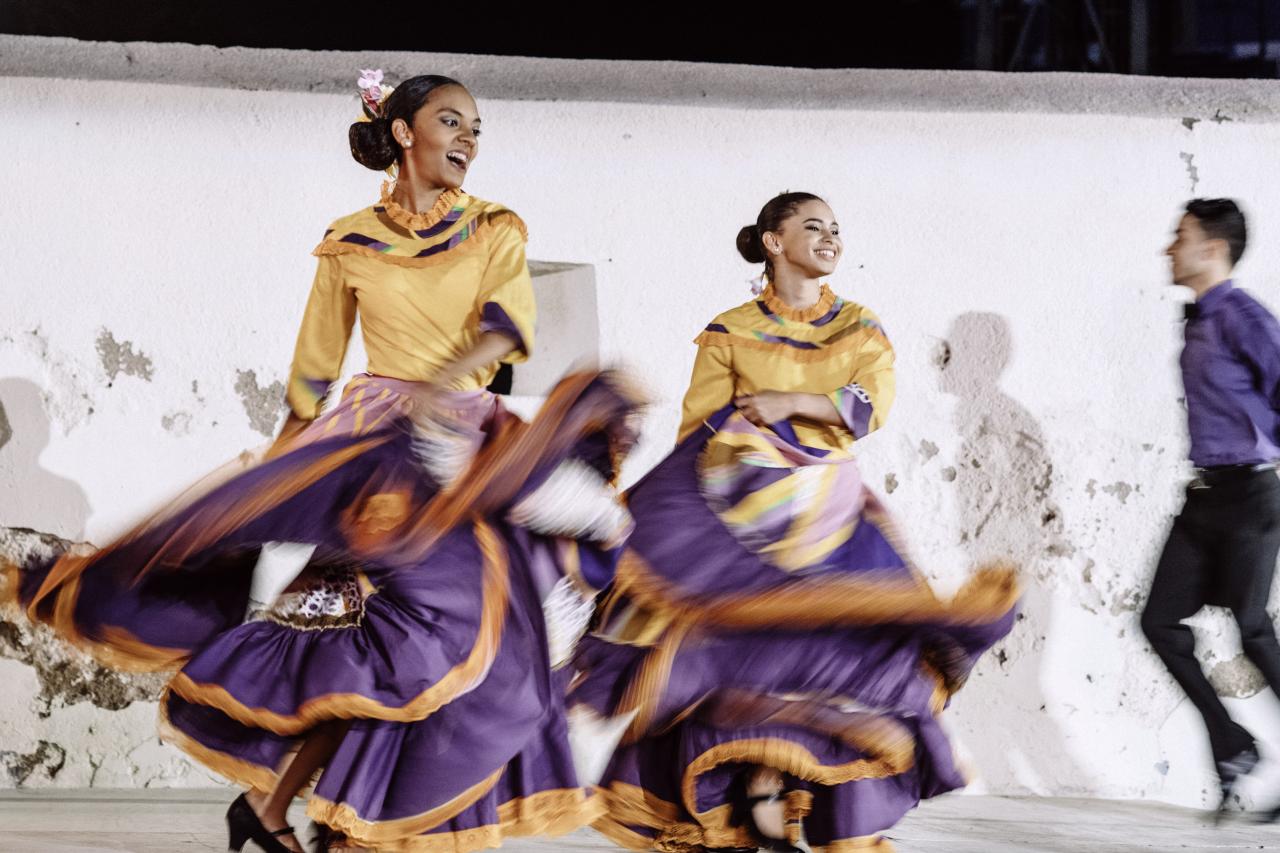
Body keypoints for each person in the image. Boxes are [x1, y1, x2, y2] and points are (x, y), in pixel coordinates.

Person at [6, 72, 640, 853]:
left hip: (466, 443)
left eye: (477, 126)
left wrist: (441, 386)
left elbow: (508, 330)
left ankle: (281, 809)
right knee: (383, 633)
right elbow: (314, 368)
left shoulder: (495, 228)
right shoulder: (349, 241)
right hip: (372, 451)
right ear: (404, 133)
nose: (469, 138)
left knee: (431, 637)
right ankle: (309, 817)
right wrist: (273, 477)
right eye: (451, 121)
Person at [570, 192, 1018, 852]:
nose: (831, 236)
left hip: (828, 514)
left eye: (836, 228)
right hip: (736, 514)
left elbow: (869, 407)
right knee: (735, 661)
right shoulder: (729, 329)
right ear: (774, 242)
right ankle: (753, 800)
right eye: (813, 226)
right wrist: (663, 525)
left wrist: (789, 399)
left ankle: (828, 812)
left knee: (848, 654)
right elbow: (702, 431)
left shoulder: (861, 326)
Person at [1141, 198, 1280, 821]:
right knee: (1160, 623)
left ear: (1213, 249)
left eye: (1181, 236)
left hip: (1251, 495)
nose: (1169, 247)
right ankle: (1233, 743)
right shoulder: (1199, 319)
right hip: (1204, 499)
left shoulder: (1244, 316)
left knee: (1251, 630)